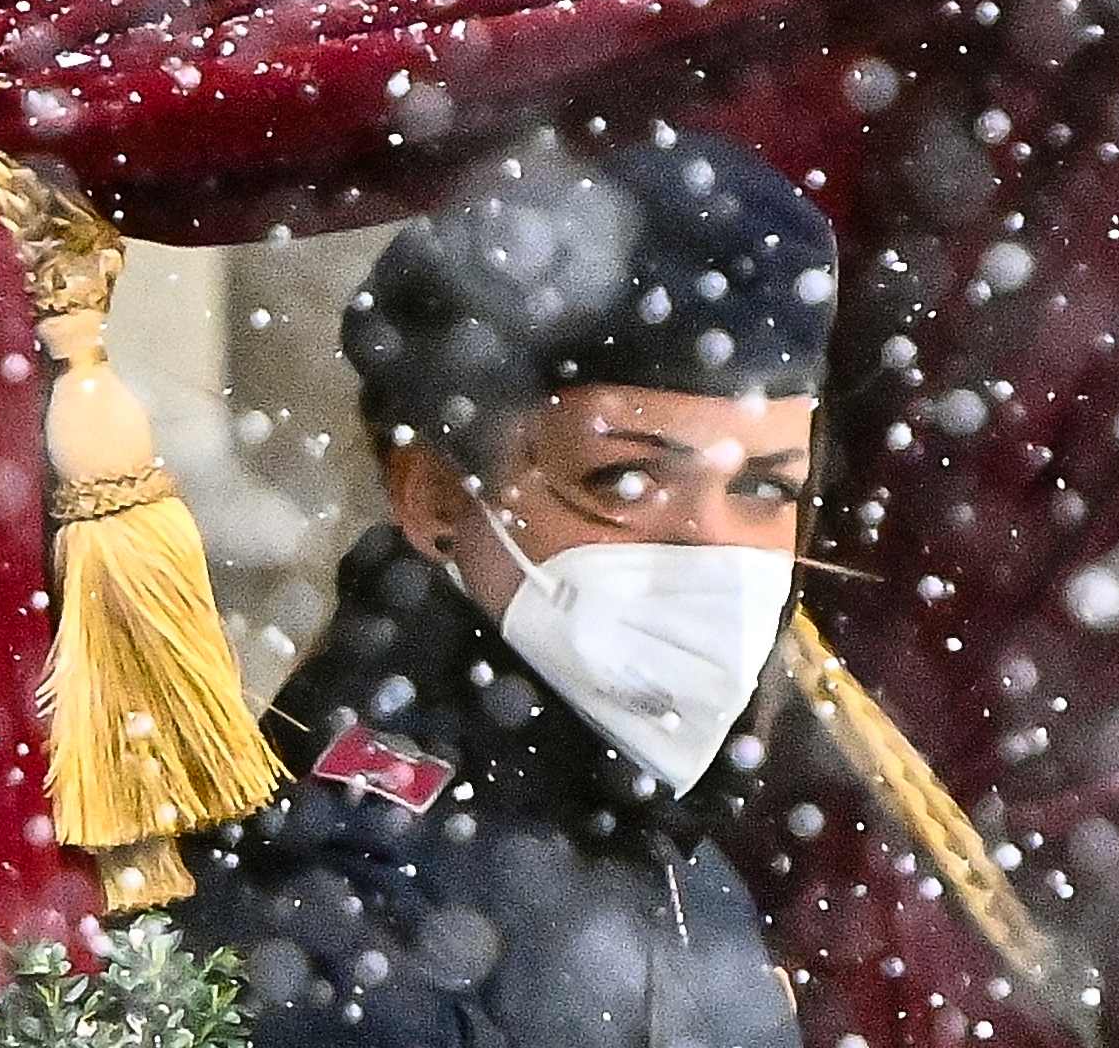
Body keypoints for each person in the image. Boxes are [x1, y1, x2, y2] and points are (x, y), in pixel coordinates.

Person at [176, 124, 839, 1046]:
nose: (712, 546)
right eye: (626, 481)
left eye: (764, 488)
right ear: (438, 495)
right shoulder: (336, 904)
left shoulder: (664, 839)